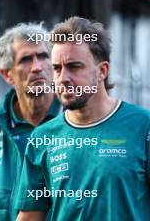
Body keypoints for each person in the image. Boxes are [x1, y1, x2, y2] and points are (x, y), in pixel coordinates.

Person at [16, 16, 150, 221]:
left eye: (74, 66)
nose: (63, 79)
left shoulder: (143, 127)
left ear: (102, 71)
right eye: (57, 69)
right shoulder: (42, 137)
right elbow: (30, 216)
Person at [0, 22, 61, 220]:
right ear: (7, 74)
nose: (37, 67)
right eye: (26, 60)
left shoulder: (76, 124)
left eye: (43, 56)